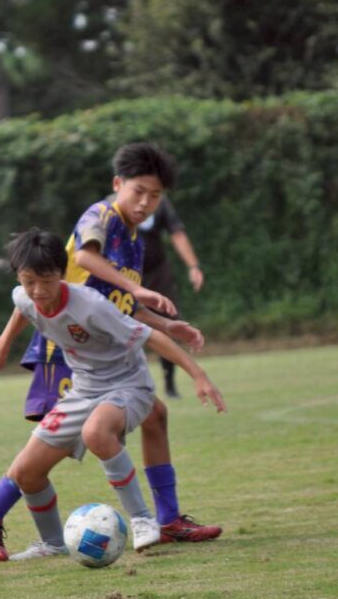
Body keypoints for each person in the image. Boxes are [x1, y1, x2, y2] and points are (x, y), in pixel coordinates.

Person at [0, 229, 226, 561]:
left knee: (96, 433)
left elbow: (150, 338)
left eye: (46, 281)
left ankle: (143, 520)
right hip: (84, 389)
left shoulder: (90, 305)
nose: (38, 290)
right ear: (19, 277)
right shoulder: (25, 296)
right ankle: (53, 543)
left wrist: (199, 375)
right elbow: (22, 307)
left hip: (128, 383)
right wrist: (1, 346)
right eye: (29, 281)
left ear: (62, 274)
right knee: (26, 472)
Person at [17, 143, 219, 545]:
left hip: (103, 350)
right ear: (117, 184)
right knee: (50, 448)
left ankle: (167, 519)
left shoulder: (132, 239)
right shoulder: (101, 216)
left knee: (154, 415)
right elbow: (87, 261)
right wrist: (136, 289)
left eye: (155, 196)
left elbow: (120, 306)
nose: (145, 203)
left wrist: (168, 323)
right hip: (69, 349)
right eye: (138, 191)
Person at [137, 197, 204, 398]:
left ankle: (169, 384)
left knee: (168, 323)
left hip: (159, 274)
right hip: (128, 276)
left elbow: (177, 233)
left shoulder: (160, 203)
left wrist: (193, 266)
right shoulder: (111, 207)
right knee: (124, 326)